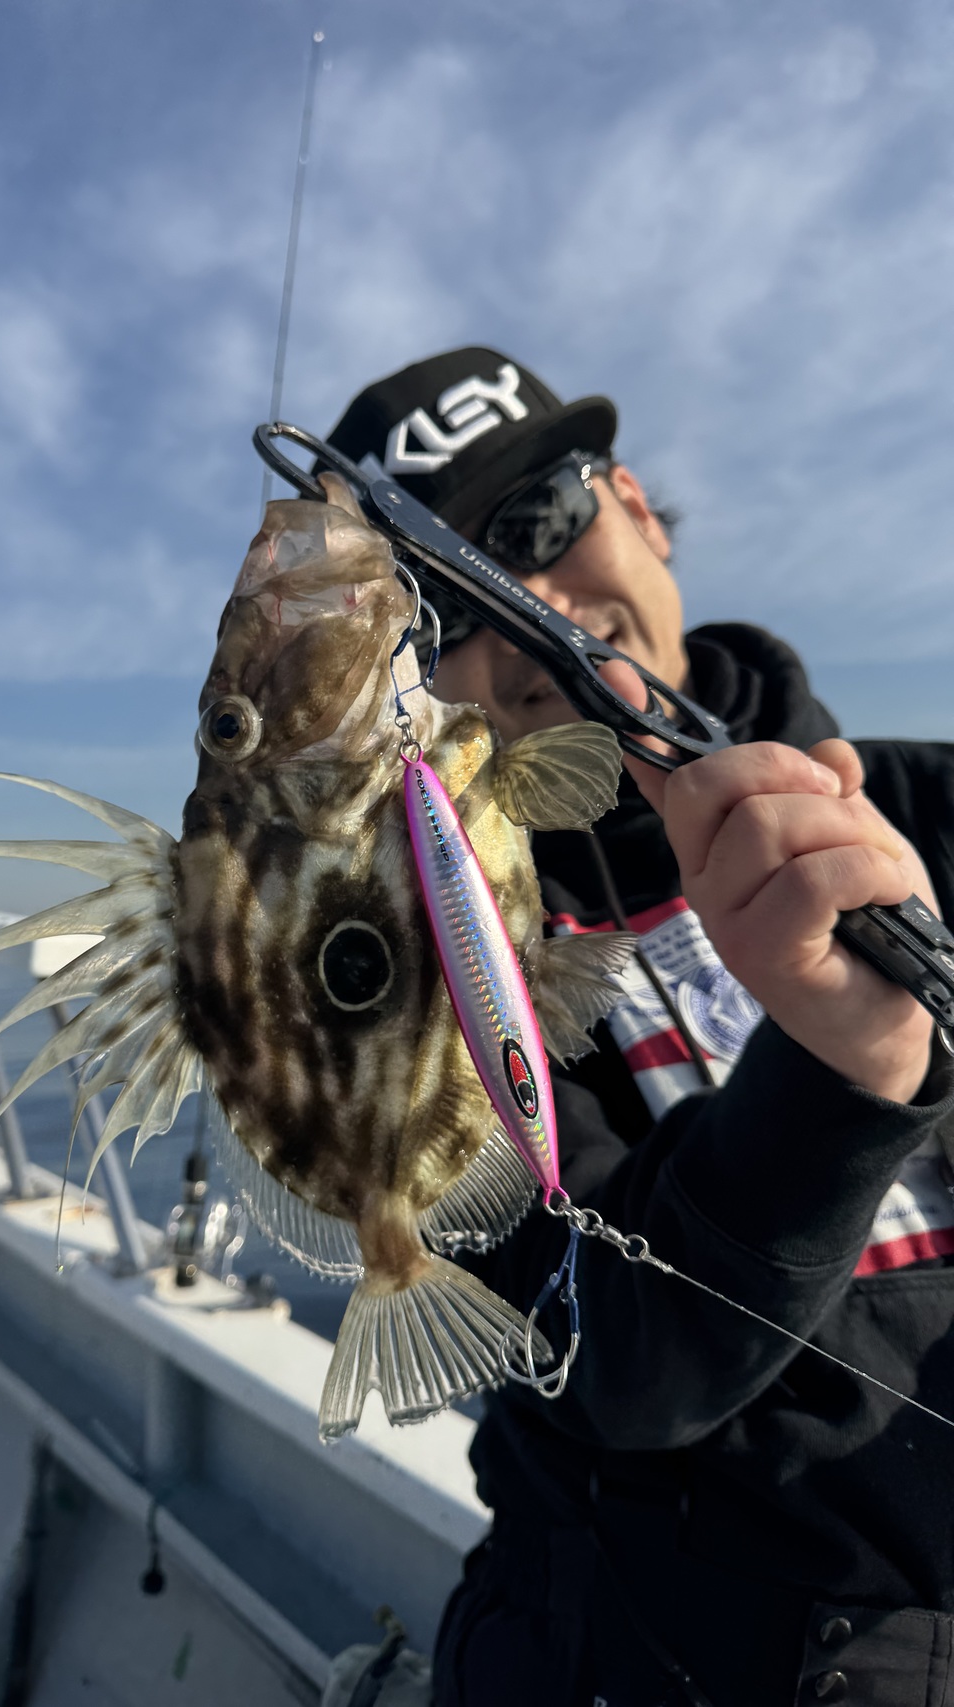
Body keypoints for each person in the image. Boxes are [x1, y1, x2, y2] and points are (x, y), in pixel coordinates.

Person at [326, 350, 954, 1706]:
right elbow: (610, 1359)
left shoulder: (934, 810)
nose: (531, 615)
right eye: (441, 610)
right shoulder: (431, 963)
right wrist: (842, 1076)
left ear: (636, 508)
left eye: (538, 523)